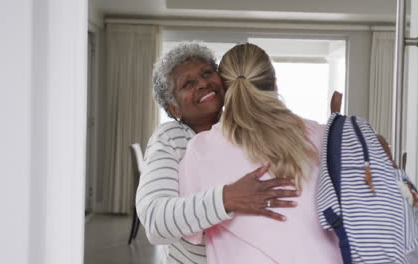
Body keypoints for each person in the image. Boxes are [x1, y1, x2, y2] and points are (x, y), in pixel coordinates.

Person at [135, 42, 300, 264]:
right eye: (188, 84)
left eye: (207, 73)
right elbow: (155, 222)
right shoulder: (171, 138)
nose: (203, 84)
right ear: (174, 109)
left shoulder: (247, 129)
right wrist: (228, 198)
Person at [178, 43, 342, 263]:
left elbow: (190, 233)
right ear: (274, 84)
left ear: (224, 93)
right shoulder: (326, 135)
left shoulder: (201, 149)